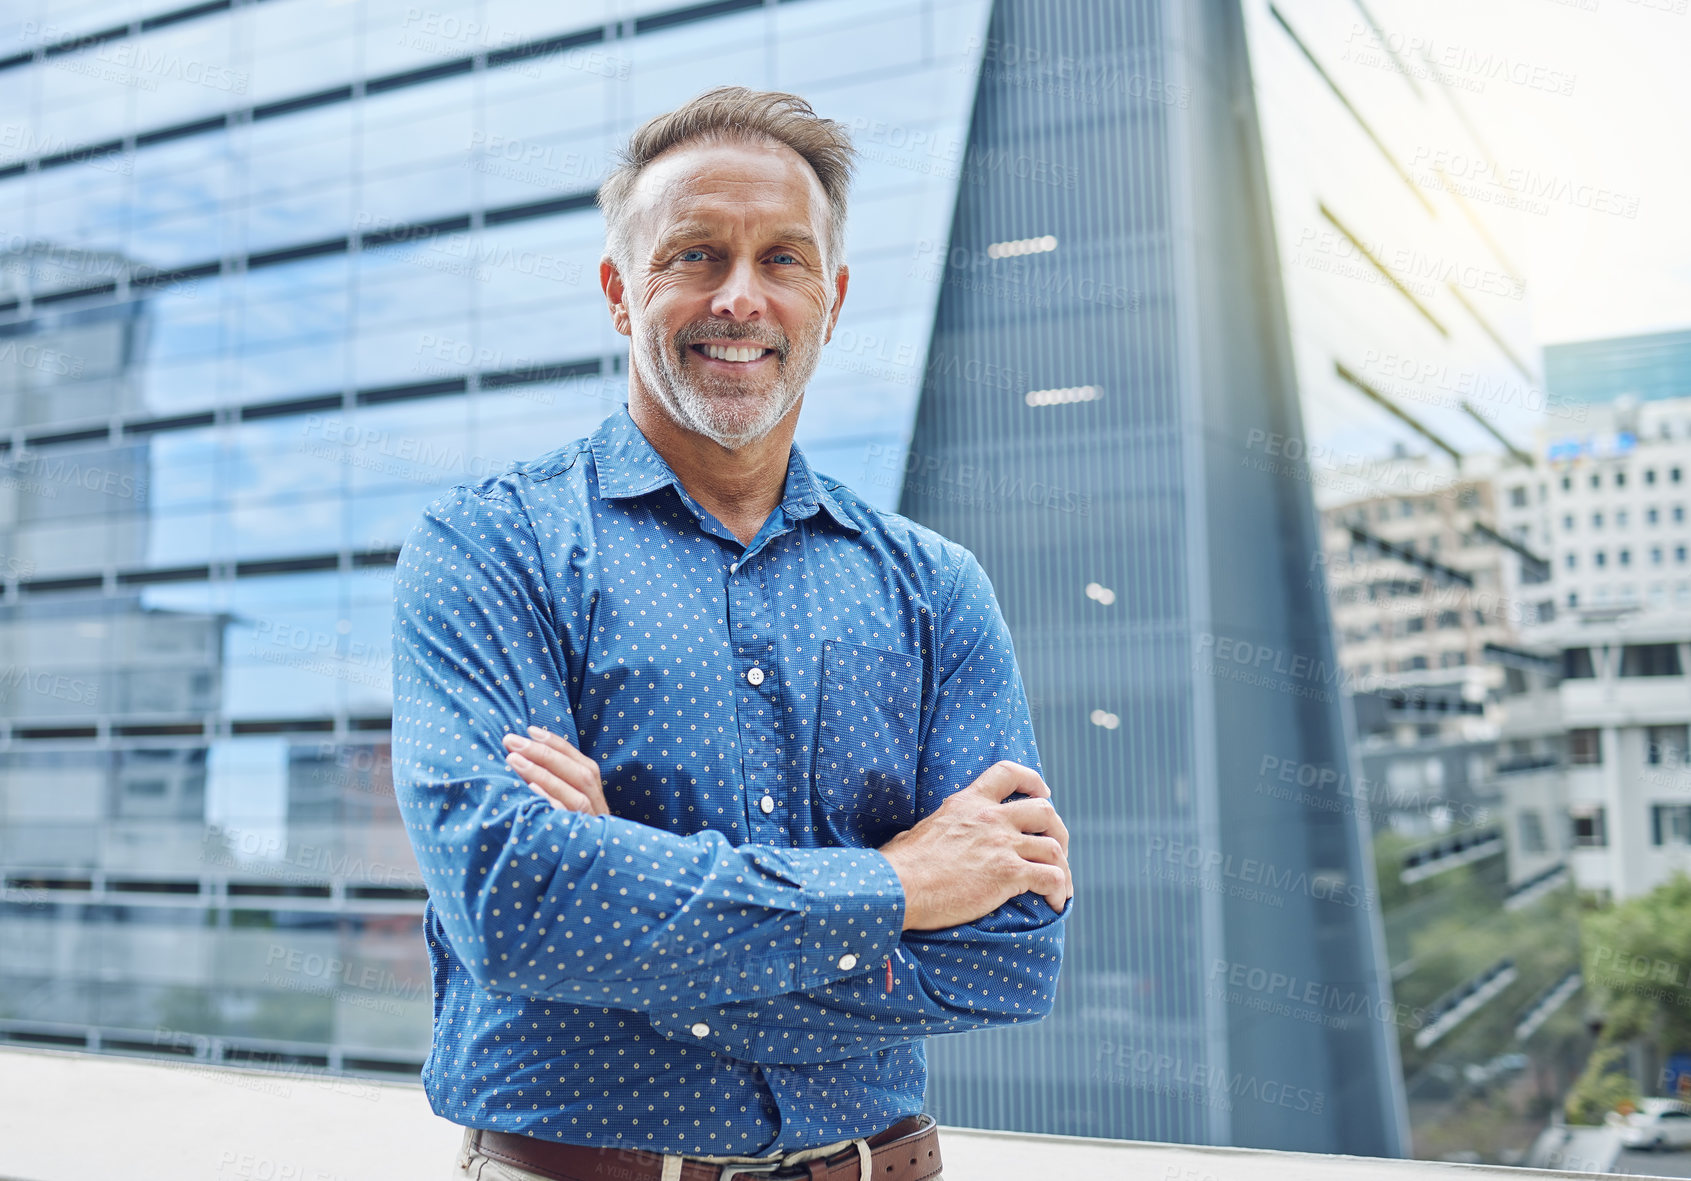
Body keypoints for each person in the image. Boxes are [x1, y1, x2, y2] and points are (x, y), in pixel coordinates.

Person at [391, 85, 1072, 1181]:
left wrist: (632, 892)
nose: (740, 298)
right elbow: (516, 905)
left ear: (833, 298)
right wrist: (897, 886)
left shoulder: (933, 588)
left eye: (782, 261)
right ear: (621, 291)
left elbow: (1009, 952)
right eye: (695, 256)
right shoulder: (490, 548)